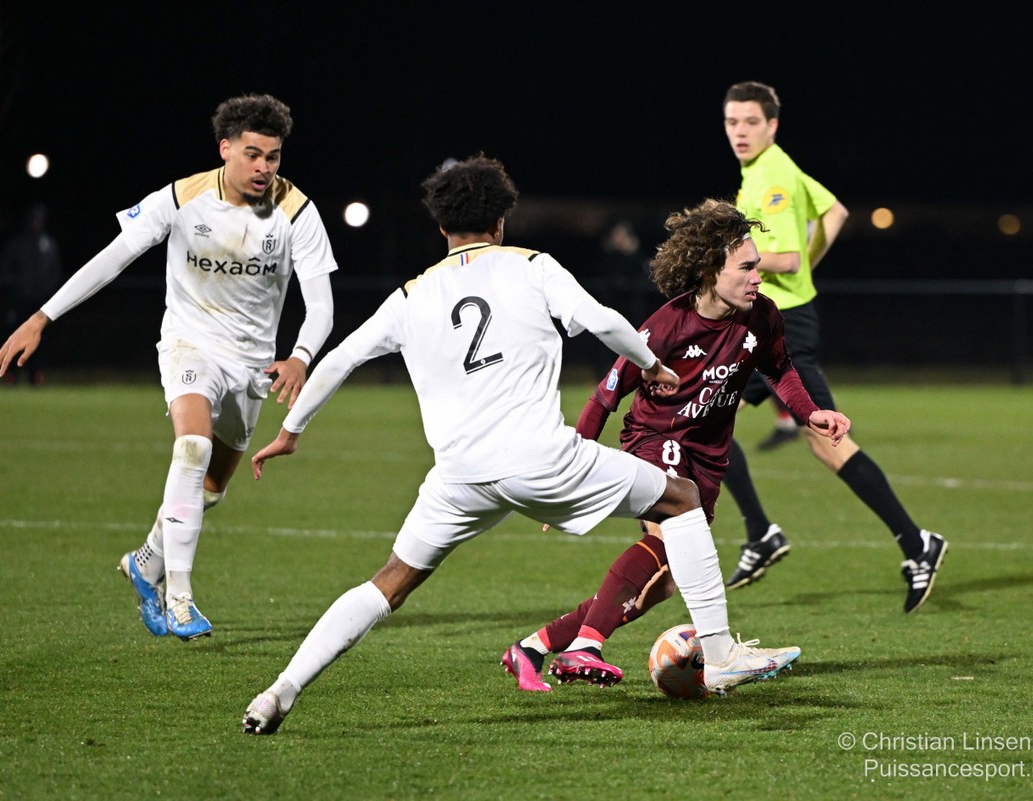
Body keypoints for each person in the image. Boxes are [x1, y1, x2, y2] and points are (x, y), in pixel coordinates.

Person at [240, 157, 816, 735]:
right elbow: (603, 320)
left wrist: (291, 432)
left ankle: (279, 690)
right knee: (683, 500)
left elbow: (338, 359)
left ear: (441, 227)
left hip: (459, 477)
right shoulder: (532, 267)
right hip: (542, 460)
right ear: (501, 222)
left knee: (388, 581)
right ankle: (718, 654)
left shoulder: (409, 295)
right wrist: (651, 364)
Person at [0, 94, 338, 640]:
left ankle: (146, 561)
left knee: (212, 488)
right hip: (189, 344)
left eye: (272, 157)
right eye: (252, 154)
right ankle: (179, 598)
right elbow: (113, 258)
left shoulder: (297, 211)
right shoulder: (182, 197)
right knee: (192, 448)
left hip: (251, 366)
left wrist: (300, 356)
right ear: (225, 149)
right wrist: (42, 317)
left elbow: (321, 305)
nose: (263, 168)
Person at [503, 198, 851, 691]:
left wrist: (810, 412)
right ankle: (589, 645)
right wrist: (566, 472)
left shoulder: (762, 316)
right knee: (666, 541)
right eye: (746, 268)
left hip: (708, 458)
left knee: (662, 582)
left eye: (757, 266)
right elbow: (604, 397)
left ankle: (534, 646)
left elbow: (780, 369)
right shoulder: (666, 327)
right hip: (656, 440)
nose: (758, 277)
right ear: (710, 271)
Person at [719, 80, 946, 610]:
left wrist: (722, 261)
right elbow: (836, 212)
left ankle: (917, 544)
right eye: (732, 122)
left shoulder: (772, 176)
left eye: (751, 122)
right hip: (766, 323)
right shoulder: (773, 169)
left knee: (827, 440)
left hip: (779, 329)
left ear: (772, 125)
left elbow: (786, 257)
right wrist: (800, 275)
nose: (740, 132)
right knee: (703, 418)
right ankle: (760, 533)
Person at [0, 203, 64, 386]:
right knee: (15, 334)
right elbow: (5, 269)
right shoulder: (17, 244)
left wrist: (48, 291)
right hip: (19, 300)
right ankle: (10, 373)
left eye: (39, 219)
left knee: (39, 339)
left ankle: (36, 374)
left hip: (41, 301)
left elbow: (55, 271)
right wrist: (13, 290)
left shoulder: (48, 243)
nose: (36, 223)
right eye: (34, 219)